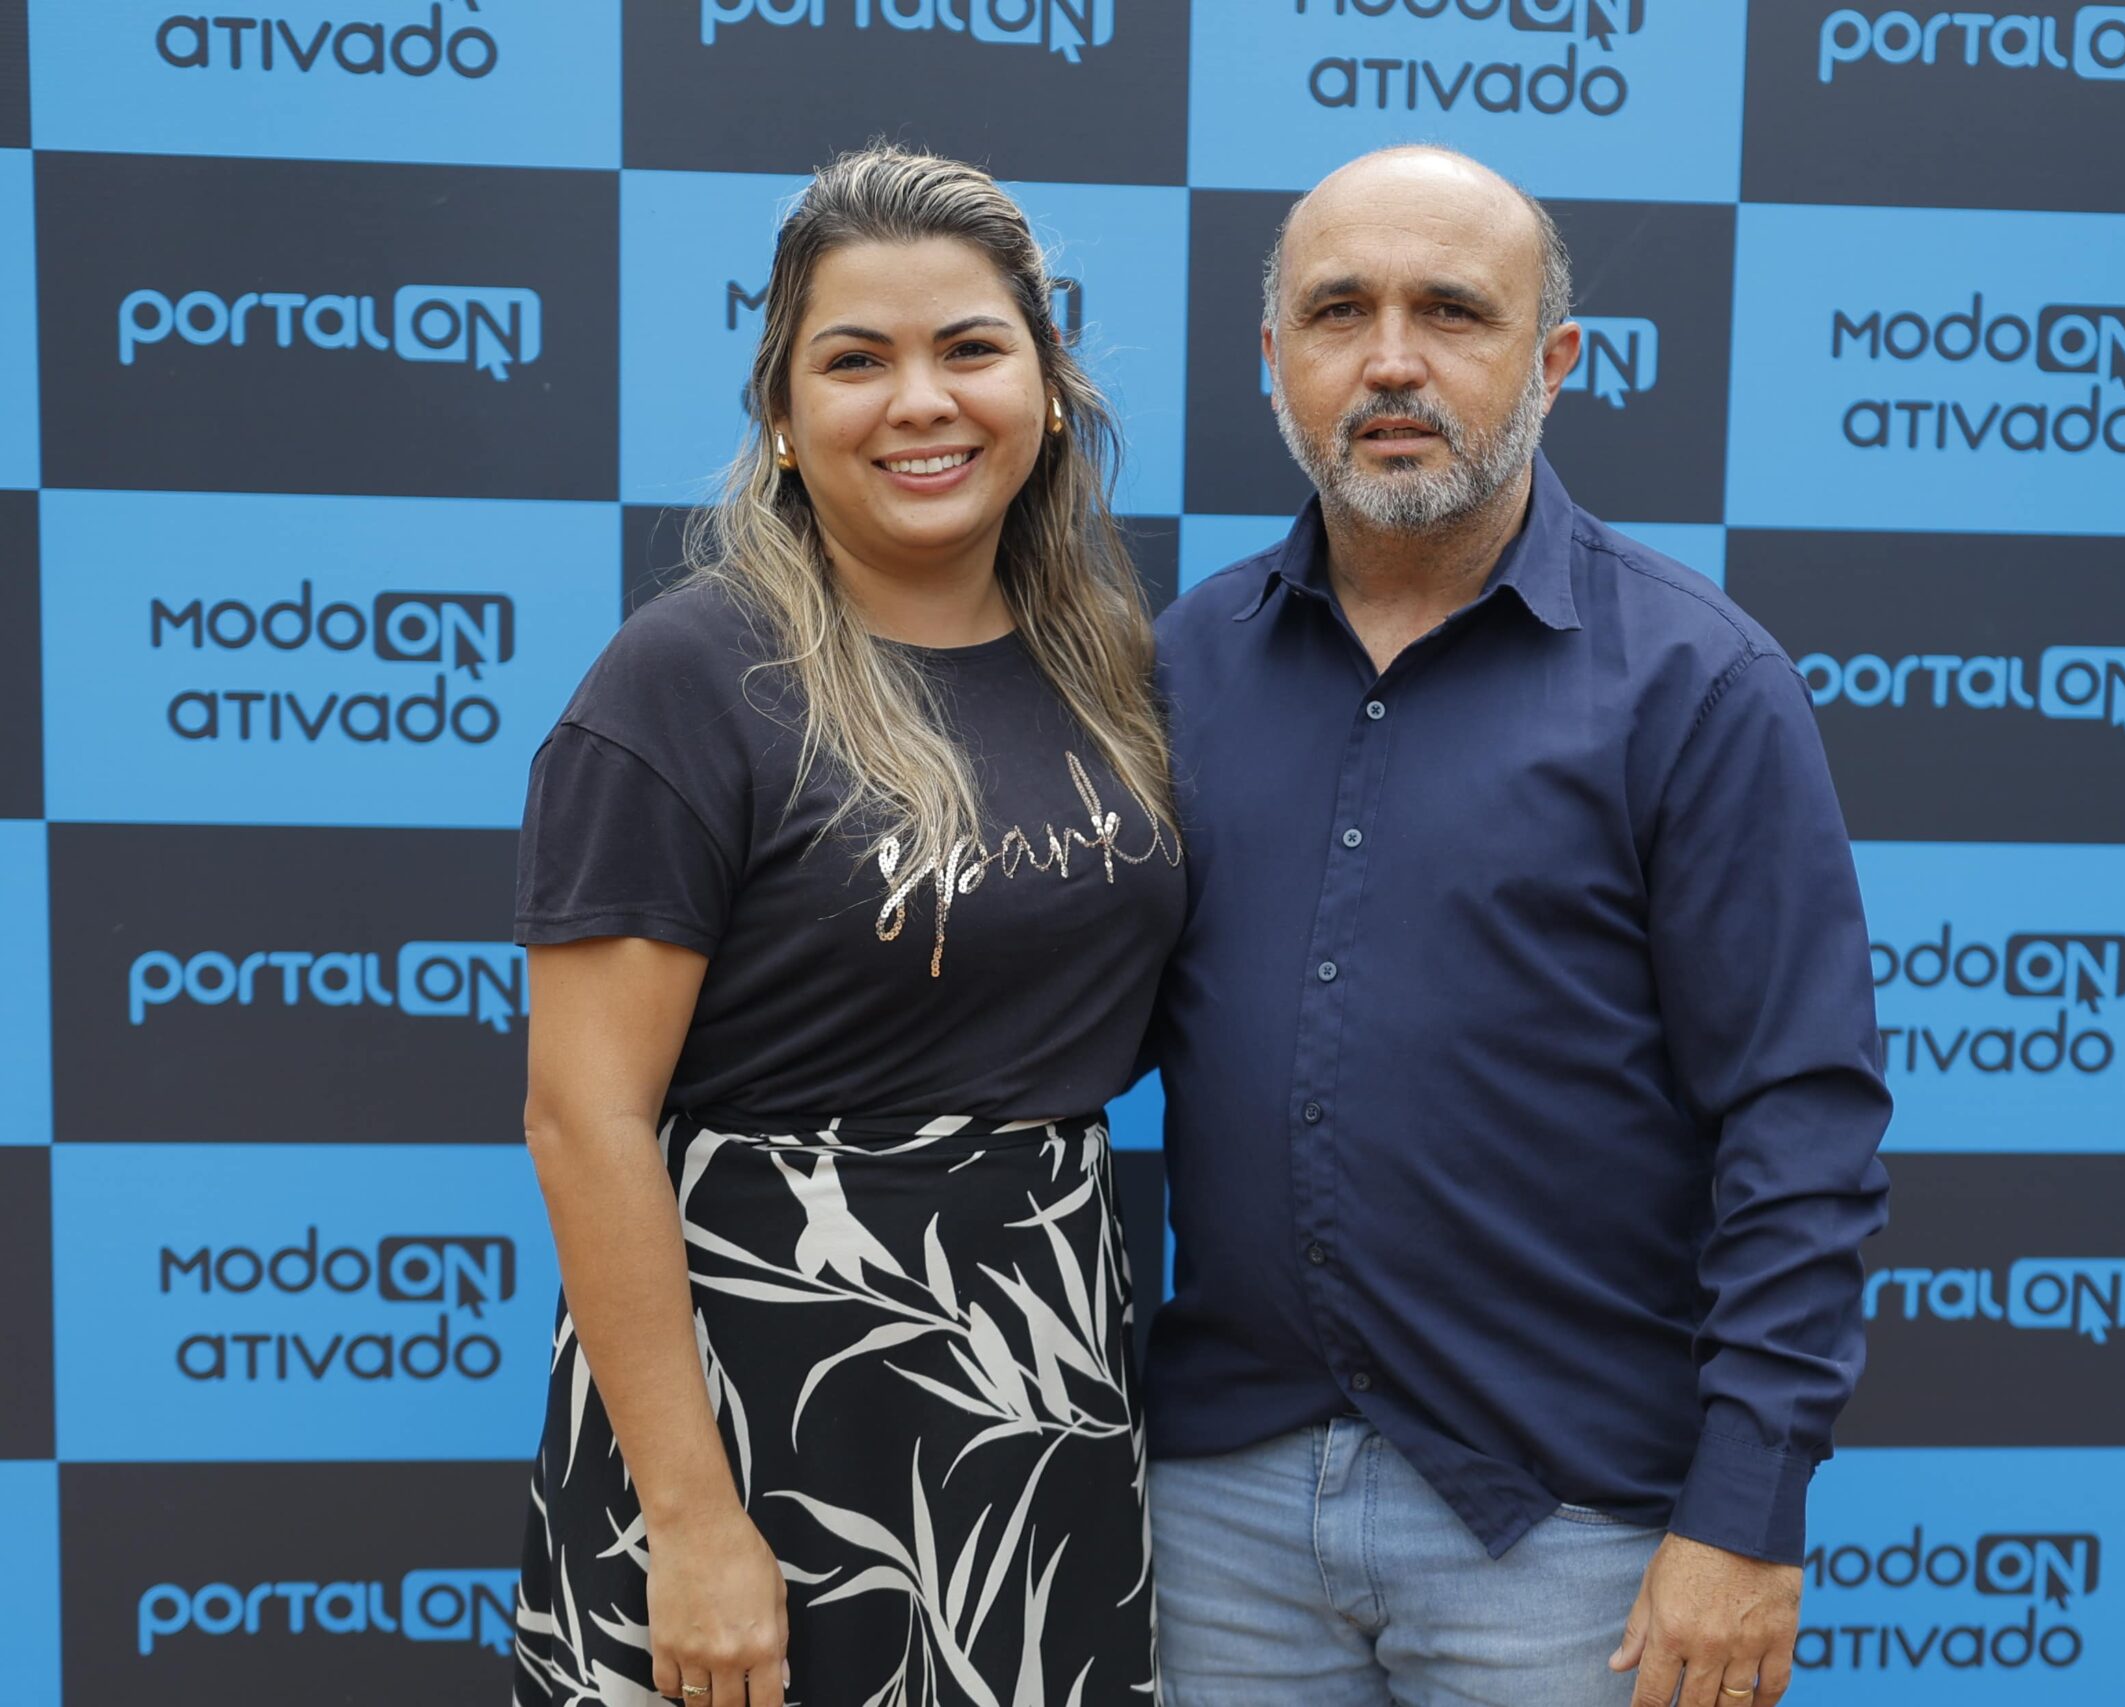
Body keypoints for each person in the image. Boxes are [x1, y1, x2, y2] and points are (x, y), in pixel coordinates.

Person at [1143, 145, 1893, 1707]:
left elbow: (1800, 1121)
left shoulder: (1699, 683)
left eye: (1453, 312)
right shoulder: (1178, 668)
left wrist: (1745, 1514)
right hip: (1219, 1510)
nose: (1391, 360)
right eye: (1339, 312)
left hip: (1567, 1533)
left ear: (1553, 361)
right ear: (1273, 360)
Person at [507, 146, 1178, 1707]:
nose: (920, 403)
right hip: (763, 1405)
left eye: (971, 349)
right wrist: (691, 1521)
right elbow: (583, 1117)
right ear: (783, 417)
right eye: (856, 360)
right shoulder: (685, 683)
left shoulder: (1110, 668)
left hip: (1041, 1382)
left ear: (1049, 390)